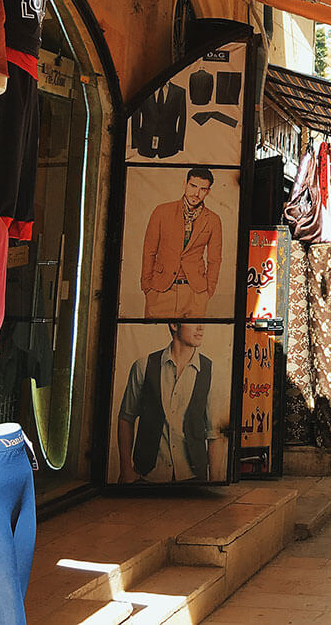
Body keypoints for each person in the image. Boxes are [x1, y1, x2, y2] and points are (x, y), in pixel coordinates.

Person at [116, 322, 226, 482]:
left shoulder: (211, 371)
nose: (201, 327)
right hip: (148, 476)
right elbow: (126, 418)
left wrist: (215, 481)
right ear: (174, 325)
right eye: (194, 320)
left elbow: (214, 433)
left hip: (193, 478)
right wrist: (126, 469)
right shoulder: (143, 366)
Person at [141, 167, 224, 317]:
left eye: (202, 189)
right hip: (160, 290)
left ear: (208, 192)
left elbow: (215, 259)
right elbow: (149, 251)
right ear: (185, 184)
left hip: (194, 293)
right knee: (151, 338)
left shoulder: (213, 220)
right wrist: (147, 287)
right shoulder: (162, 211)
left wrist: (208, 291)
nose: (196, 193)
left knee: (189, 340)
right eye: (193, 186)